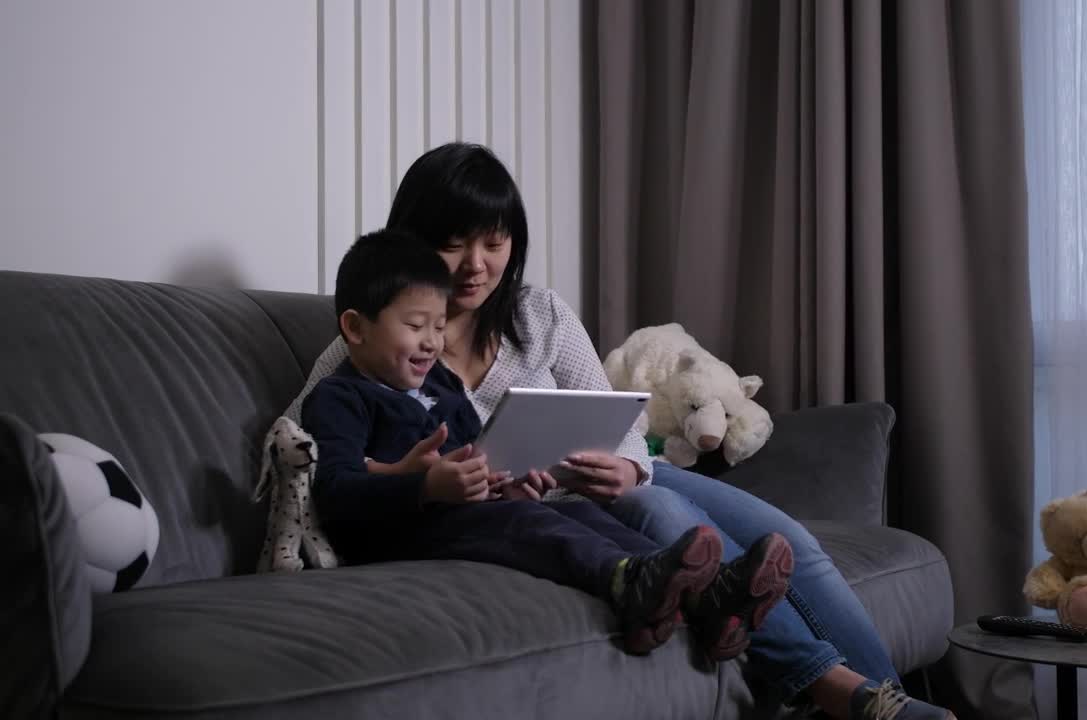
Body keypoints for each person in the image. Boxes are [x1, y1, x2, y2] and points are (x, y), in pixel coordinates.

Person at [286, 143, 953, 720]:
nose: (475, 265)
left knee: (794, 541)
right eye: (453, 243)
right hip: (550, 503)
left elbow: (619, 416)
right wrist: (400, 477)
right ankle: (835, 686)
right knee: (667, 514)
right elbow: (300, 436)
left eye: (494, 242)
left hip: (614, 476)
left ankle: (887, 698)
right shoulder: (382, 338)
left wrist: (629, 466)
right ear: (412, 241)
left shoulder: (537, 313)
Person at [299, 227, 794, 658]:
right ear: (355, 328)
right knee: (526, 521)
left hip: (465, 514)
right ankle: (627, 580)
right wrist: (423, 486)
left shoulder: (439, 384)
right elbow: (336, 493)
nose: (432, 341)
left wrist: (506, 482)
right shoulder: (340, 397)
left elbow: (479, 454)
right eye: (414, 326)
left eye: (437, 324)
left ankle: (712, 600)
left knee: (573, 512)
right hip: (399, 533)